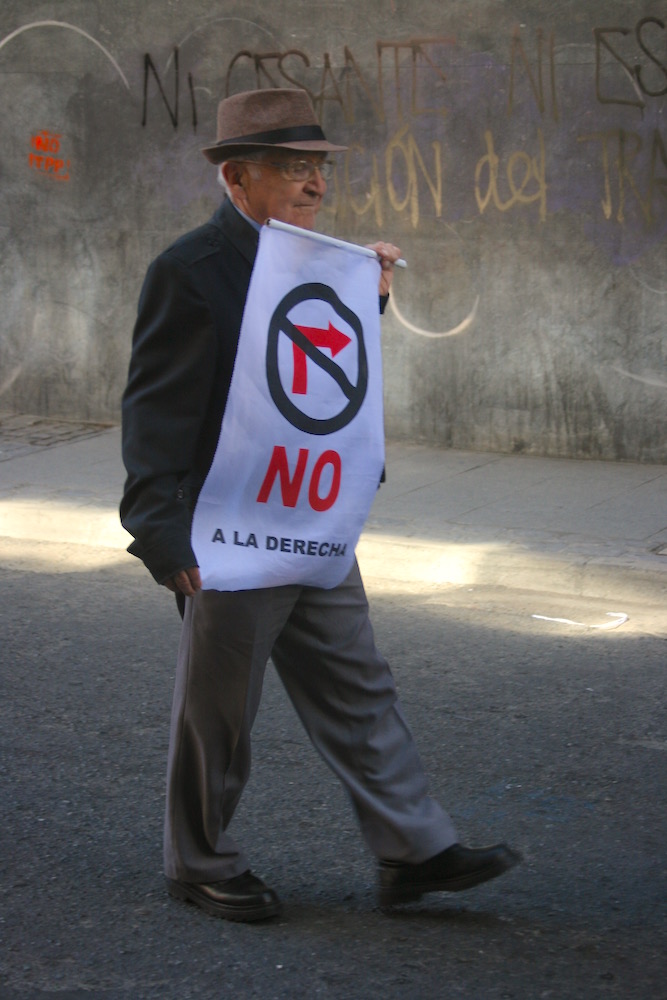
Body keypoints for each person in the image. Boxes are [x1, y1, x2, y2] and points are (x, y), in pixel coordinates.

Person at [120, 88, 520, 922]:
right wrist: (159, 529)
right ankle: (199, 862)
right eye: (291, 168)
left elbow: (320, 384)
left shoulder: (320, 262)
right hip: (230, 527)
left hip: (312, 517)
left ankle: (413, 851)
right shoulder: (190, 270)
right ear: (236, 177)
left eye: (316, 167)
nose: (314, 184)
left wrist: (365, 297)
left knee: (357, 685)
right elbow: (156, 410)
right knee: (219, 712)